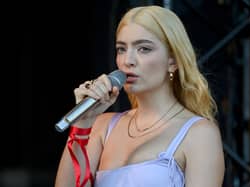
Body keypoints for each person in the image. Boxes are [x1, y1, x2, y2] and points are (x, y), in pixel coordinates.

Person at [55, 5, 225, 187]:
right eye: (121, 49)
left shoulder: (198, 133)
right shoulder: (102, 126)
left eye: (143, 49)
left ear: (173, 61)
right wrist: (82, 124)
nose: (128, 61)